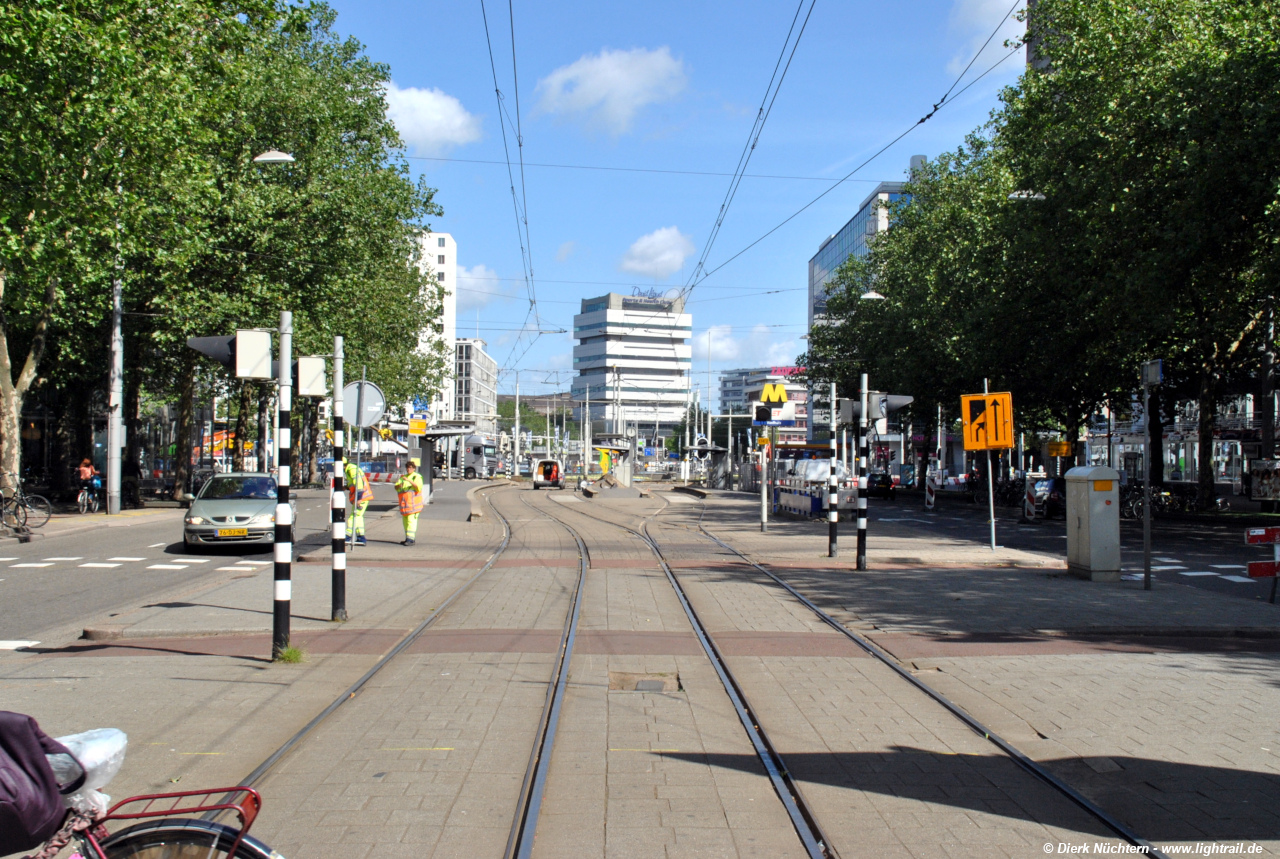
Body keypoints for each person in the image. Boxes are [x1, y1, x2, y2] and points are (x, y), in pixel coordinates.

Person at [394, 459, 425, 546]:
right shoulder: (403, 477)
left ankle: (410, 539)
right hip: (405, 505)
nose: (409, 469)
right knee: (405, 522)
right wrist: (399, 485)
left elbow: (417, 487)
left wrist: (409, 481)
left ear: (414, 468)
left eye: (411, 468)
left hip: (414, 505)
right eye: (408, 468)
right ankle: (408, 538)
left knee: (411, 522)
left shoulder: (417, 477)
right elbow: (396, 487)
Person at [344, 460, 373, 546]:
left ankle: (347, 536)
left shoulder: (352, 469)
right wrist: (346, 487)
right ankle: (361, 537)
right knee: (359, 517)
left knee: (353, 517)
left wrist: (359, 499)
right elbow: (353, 484)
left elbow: (359, 485)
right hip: (363, 497)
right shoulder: (351, 469)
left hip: (361, 497)